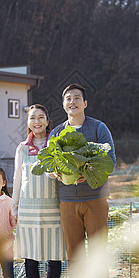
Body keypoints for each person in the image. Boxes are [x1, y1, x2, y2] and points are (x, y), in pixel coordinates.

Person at [48, 84, 116, 268]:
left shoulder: (99, 128)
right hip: (68, 201)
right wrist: (56, 172)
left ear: (85, 103)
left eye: (77, 98)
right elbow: (48, 164)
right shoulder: (56, 133)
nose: (73, 101)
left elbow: (111, 161)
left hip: (96, 198)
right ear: (63, 104)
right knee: (75, 257)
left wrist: (88, 173)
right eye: (68, 98)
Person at [11, 104, 67, 278]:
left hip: (53, 208)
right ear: (28, 122)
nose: (37, 121)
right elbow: (17, 179)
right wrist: (14, 208)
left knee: (54, 257)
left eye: (41, 117)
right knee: (30, 258)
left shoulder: (56, 144)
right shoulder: (22, 148)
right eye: (32, 117)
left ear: (48, 121)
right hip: (28, 209)